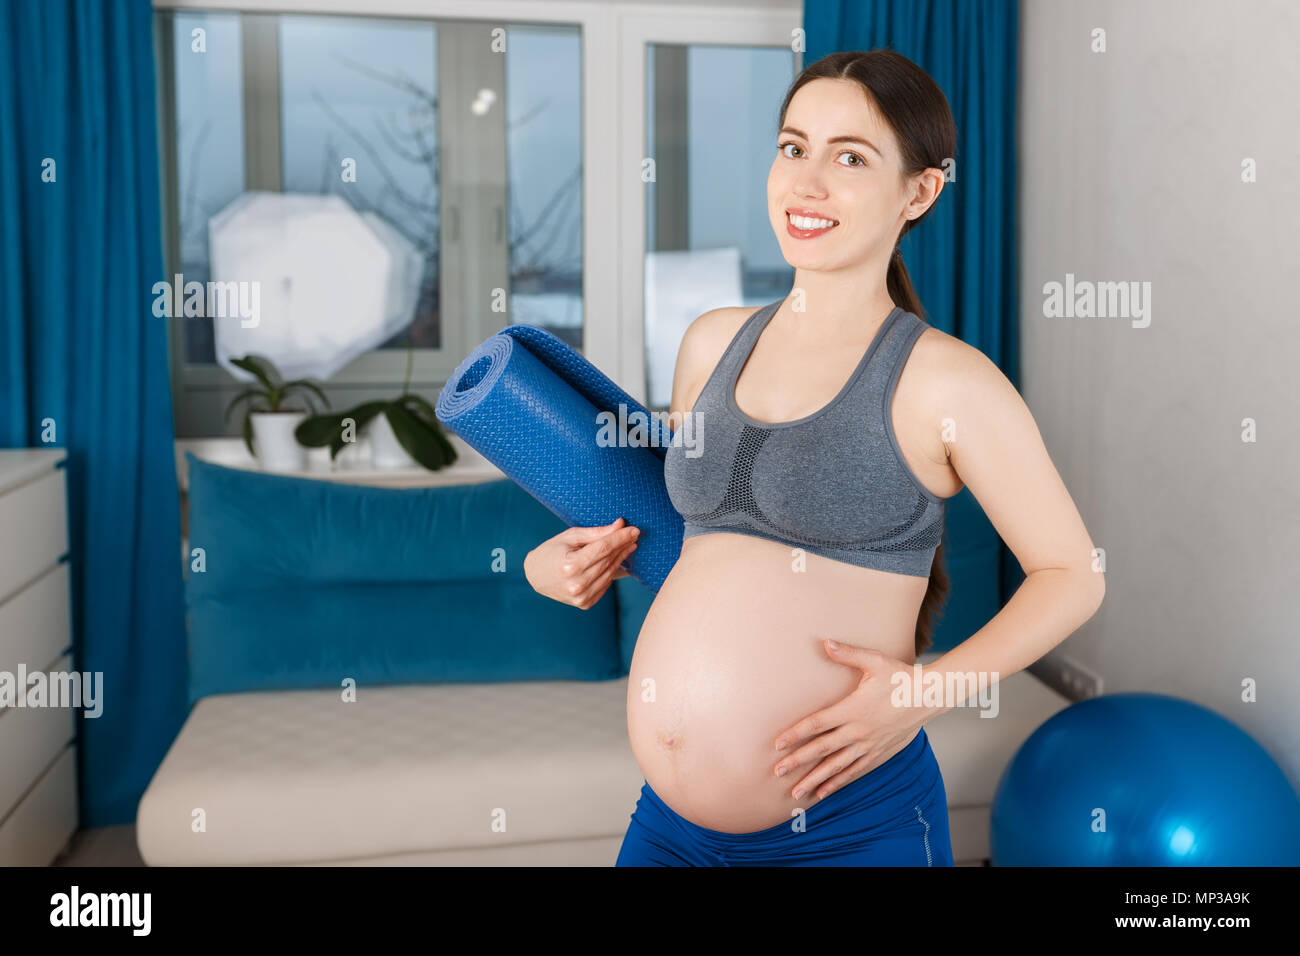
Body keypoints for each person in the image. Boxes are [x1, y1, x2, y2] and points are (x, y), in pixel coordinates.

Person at [524, 49, 1105, 866]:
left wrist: (920, 695)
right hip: (668, 827)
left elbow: (1073, 575)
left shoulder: (945, 380)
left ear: (920, 191)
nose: (807, 182)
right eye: (794, 147)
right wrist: (566, 565)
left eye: (851, 158)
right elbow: (696, 548)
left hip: (849, 829)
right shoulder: (711, 342)